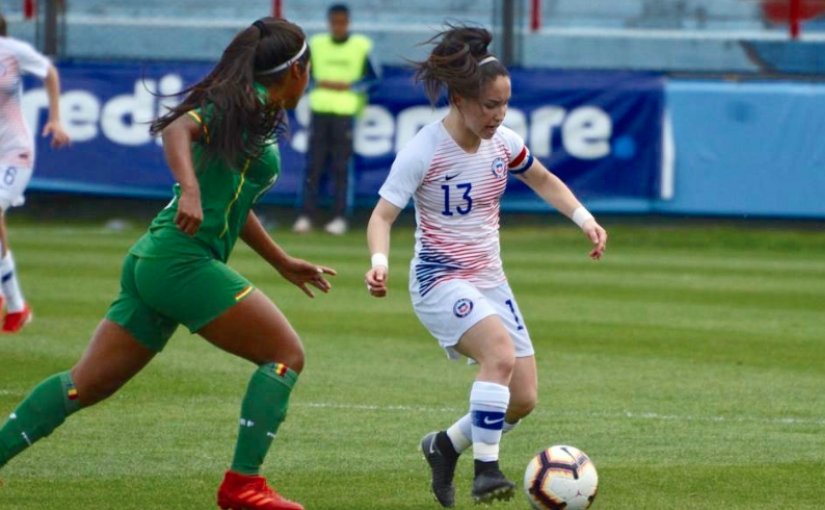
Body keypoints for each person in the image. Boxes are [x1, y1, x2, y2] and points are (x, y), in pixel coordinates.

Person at [0, 17, 334, 510]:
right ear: (298, 72)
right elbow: (178, 126)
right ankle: (242, 486)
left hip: (156, 260)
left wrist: (281, 260)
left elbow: (233, 205)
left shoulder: (253, 109)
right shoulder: (241, 103)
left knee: (83, 385)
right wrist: (192, 191)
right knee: (286, 355)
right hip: (181, 262)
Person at [364, 25, 607, 507]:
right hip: (438, 280)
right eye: (488, 105)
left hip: (489, 279)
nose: (497, 115)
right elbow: (381, 215)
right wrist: (378, 262)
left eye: (504, 104)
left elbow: (543, 179)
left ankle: (444, 445)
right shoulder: (424, 150)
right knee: (498, 353)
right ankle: (486, 471)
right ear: (459, 98)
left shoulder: (503, 142)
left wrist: (585, 219)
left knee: (523, 398)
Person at [0, 12, 71, 332]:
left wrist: (56, 118)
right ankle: (15, 305)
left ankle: (13, 302)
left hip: (15, 150)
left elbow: (49, 71)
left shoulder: (11, 51)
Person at [292, 3, 379, 236]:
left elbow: (373, 78)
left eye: (342, 22)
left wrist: (350, 86)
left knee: (341, 167)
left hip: (345, 113)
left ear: (348, 22)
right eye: (335, 22)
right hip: (319, 110)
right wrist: (316, 85)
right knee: (314, 165)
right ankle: (306, 216)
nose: (338, 27)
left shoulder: (361, 46)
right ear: (329, 22)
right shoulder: (317, 44)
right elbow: (302, 73)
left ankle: (339, 217)